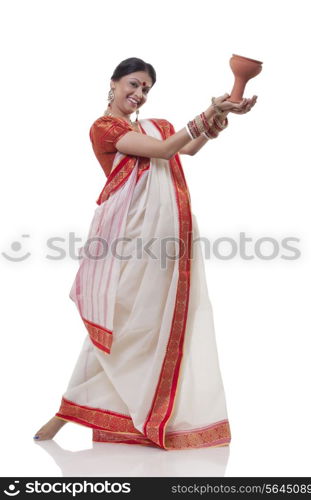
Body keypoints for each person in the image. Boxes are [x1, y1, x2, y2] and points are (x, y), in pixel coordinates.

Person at [33, 57, 257, 450]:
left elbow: (189, 147)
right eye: (133, 85)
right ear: (114, 82)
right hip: (131, 241)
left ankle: (85, 411)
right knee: (121, 323)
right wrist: (212, 110)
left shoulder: (154, 127)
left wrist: (224, 115)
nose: (139, 94)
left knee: (154, 323)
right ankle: (67, 412)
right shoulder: (105, 128)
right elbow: (166, 150)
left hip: (167, 238)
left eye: (146, 89)